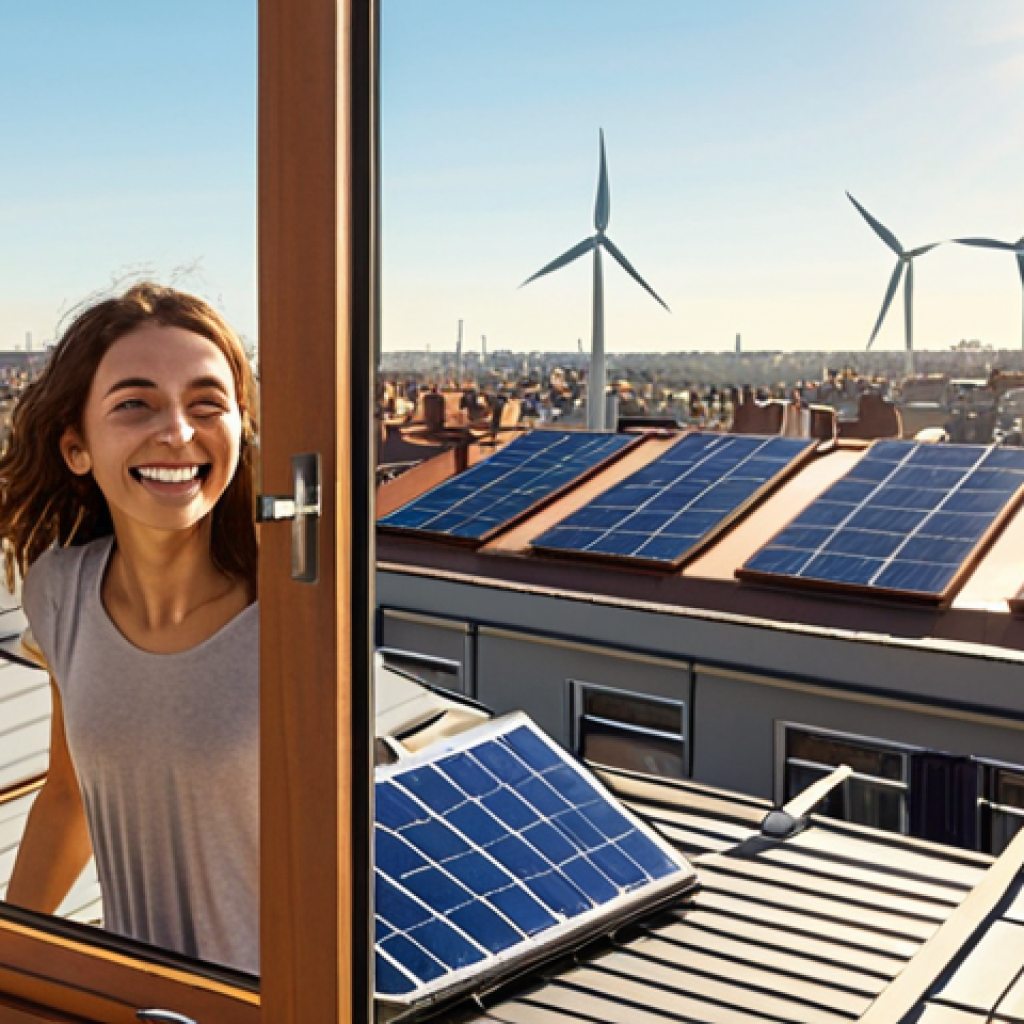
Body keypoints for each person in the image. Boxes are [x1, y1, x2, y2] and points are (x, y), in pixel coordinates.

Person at [1, 283, 259, 974]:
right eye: (135, 404)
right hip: (141, 1005)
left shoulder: (295, 616)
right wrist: (11, 965)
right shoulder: (59, 592)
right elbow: (68, 796)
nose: (178, 431)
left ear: (241, 427)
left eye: (207, 403)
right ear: (77, 447)